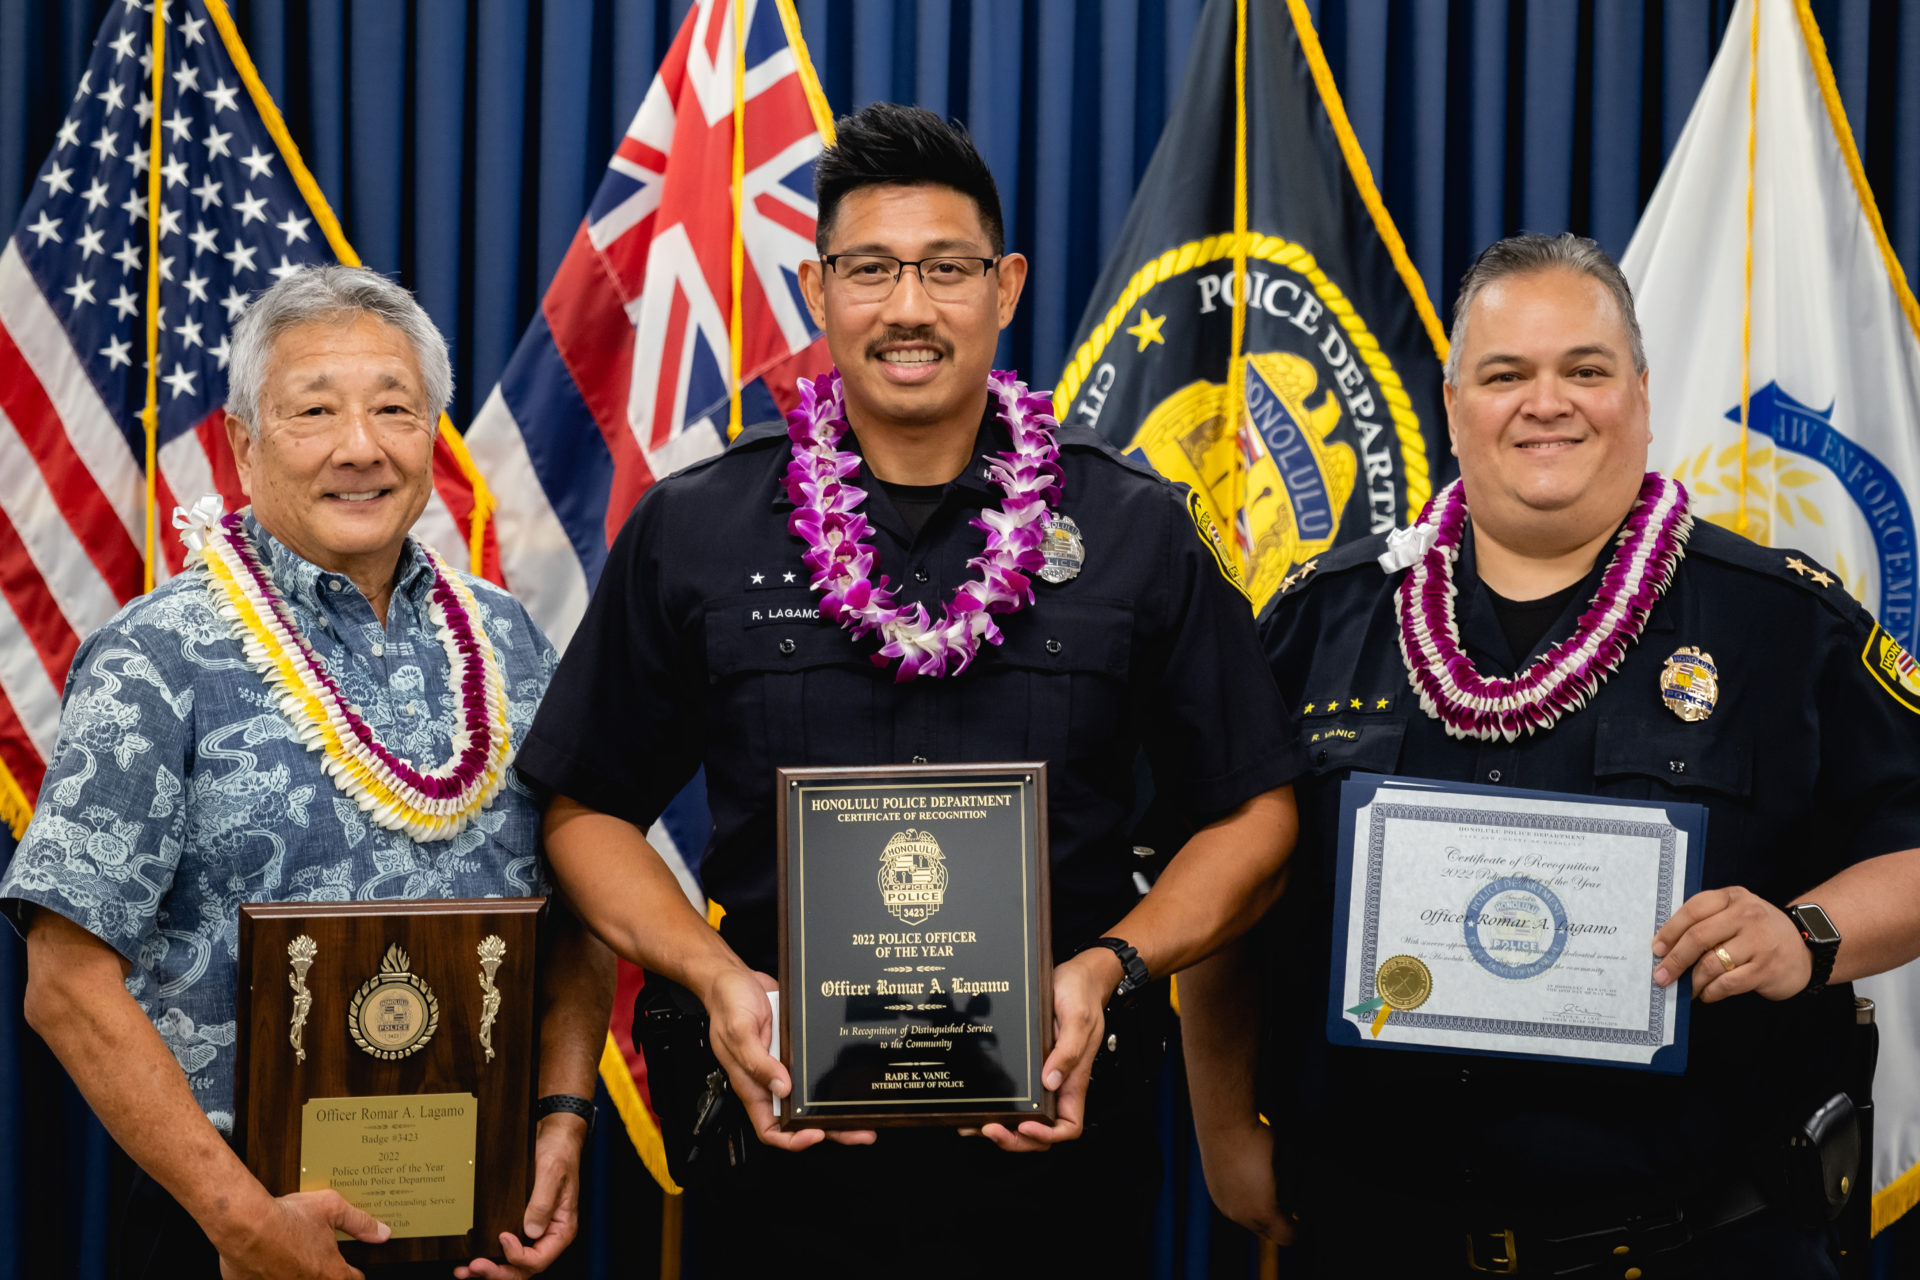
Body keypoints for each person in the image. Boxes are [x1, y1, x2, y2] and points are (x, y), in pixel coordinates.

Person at [514, 103, 1299, 1273]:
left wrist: (1112, 964)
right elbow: (581, 807)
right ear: (818, 288)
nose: (910, 307)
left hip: (1060, 1163)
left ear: (1007, 284)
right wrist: (713, 974)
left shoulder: (1134, 530)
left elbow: (1257, 813)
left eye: (947, 267)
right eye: (870, 268)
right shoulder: (698, 528)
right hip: (779, 1163)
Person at [1182, 233, 1920, 1278]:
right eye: (1506, 373)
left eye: (1585, 369)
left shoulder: (1782, 623)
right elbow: (1223, 900)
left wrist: (1809, 929)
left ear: (1642, 393)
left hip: (1692, 1240)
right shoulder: (1318, 622)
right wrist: (1222, 1134)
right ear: (1453, 404)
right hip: (1374, 1237)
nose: (1548, 402)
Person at [0, 267, 613, 1280]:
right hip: (236, 1228)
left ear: (430, 435)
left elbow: (584, 909)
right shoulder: (158, 655)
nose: (359, 446)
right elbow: (65, 986)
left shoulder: (508, 641)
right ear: (243, 441)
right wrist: (241, 1219)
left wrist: (560, 1115)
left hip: (483, 1217)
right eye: (314, 411)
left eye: (393, 408)